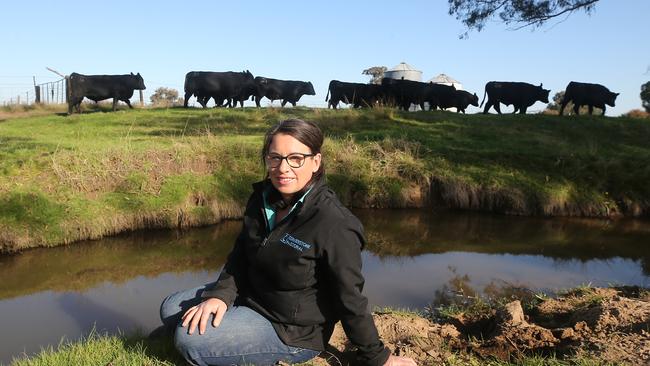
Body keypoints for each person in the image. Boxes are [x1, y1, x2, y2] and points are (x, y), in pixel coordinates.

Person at [160, 119, 417, 366]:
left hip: (291, 329)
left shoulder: (335, 223)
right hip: (251, 294)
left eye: (296, 159)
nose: (283, 168)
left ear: (316, 162)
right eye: (275, 157)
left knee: (188, 341)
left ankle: (267, 347)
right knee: (170, 306)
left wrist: (378, 358)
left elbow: (350, 297)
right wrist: (221, 295)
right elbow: (241, 253)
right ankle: (221, 325)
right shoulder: (262, 198)